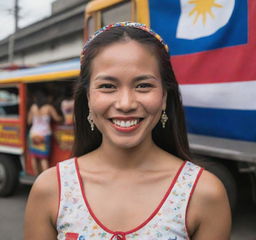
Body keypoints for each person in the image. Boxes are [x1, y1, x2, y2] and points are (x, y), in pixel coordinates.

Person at [24, 22, 231, 240]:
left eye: (143, 86)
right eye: (107, 86)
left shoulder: (204, 193)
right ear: (88, 98)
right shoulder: (51, 189)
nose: (125, 103)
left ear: (164, 97)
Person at [27, 90, 62, 175]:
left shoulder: (33, 107)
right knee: (43, 158)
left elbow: (29, 121)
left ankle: (36, 176)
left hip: (33, 134)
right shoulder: (49, 107)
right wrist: (63, 117)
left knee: (34, 156)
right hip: (44, 135)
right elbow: (57, 118)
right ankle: (44, 177)